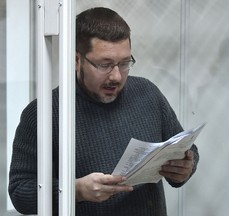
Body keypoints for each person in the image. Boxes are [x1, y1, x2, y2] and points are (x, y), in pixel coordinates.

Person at [8, 7, 199, 216]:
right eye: (104, 65)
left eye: (125, 63)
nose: (116, 76)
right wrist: (76, 190)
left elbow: (186, 150)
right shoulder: (43, 113)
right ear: (76, 60)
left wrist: (184, 169)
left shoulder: (148, 93)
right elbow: (20, 192)